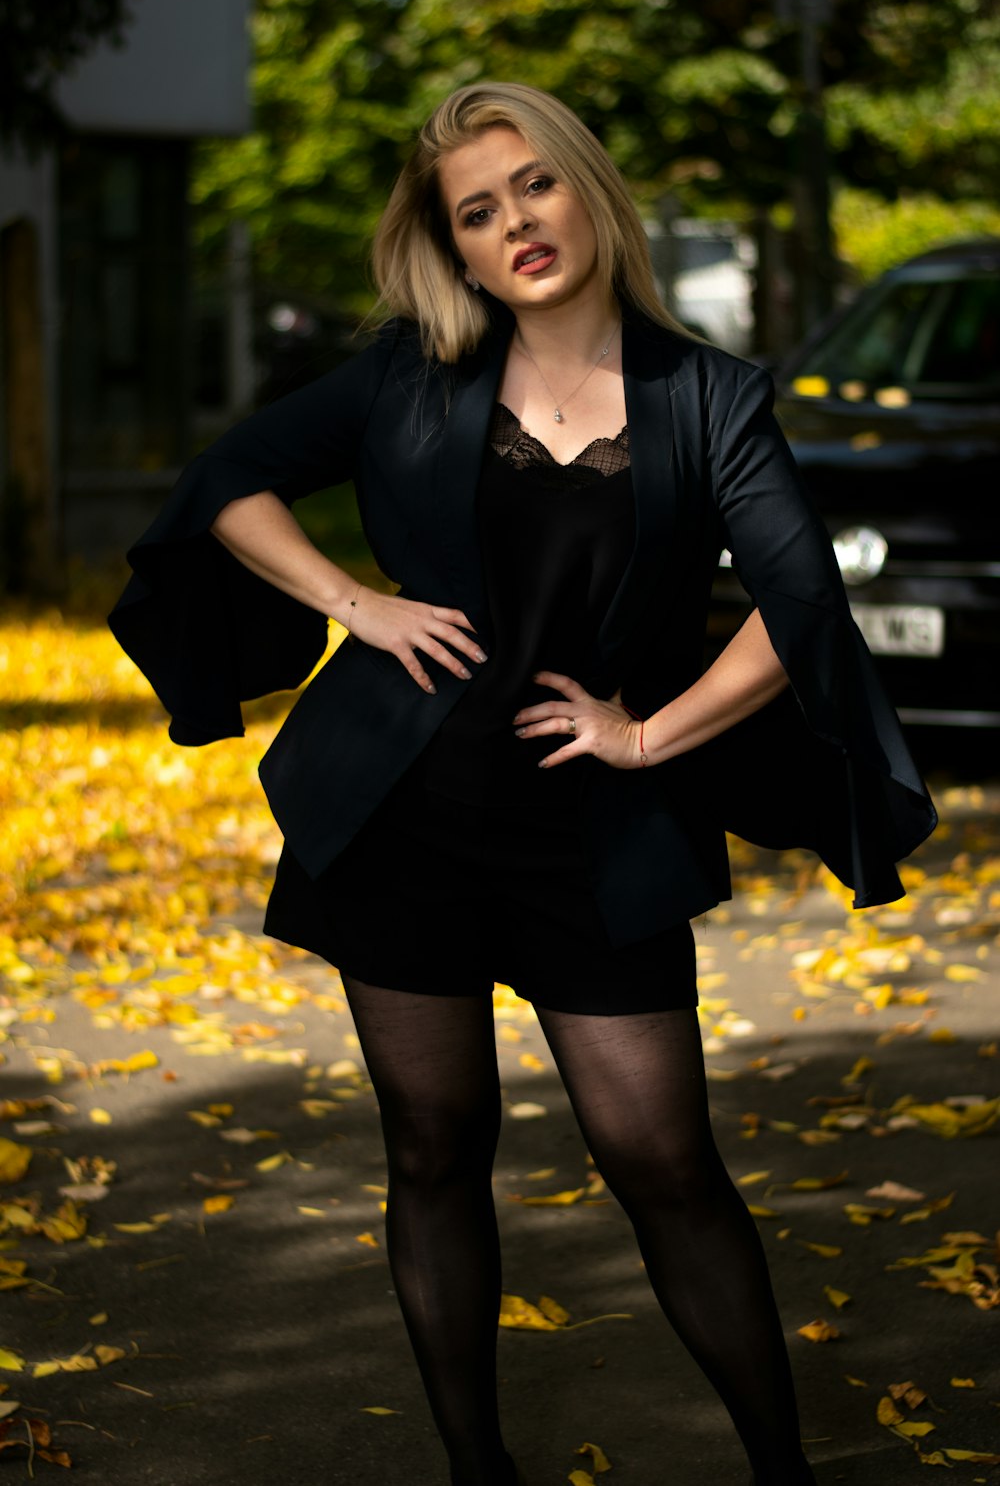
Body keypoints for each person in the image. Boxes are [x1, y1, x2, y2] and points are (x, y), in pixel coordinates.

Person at [109, 83, 936, 1486]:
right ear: (459, 249)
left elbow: (799, 608)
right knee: (433, 1147)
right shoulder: (405, 373)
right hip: (402, 822)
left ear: (587, 192)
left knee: (665, 1166)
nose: (515, 225)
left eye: (533, 188)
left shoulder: (708, 396)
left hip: (597, 836)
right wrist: (352, 604)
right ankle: (480, 1470)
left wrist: (647, 737)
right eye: (478, 213)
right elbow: (228, 482)